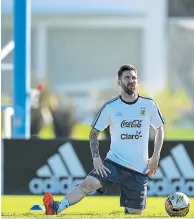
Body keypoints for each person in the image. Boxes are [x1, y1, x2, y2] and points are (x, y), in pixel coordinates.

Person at [42, 64, 166, 215]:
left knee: (135, 213)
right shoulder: (111, 107)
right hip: (114, 163)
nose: (131, 80)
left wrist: (155, 156)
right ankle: (56, 208)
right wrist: (96, 158)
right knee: (88, 184)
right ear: (119, 82)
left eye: (134, 78)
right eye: (127, 78)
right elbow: (94, 133)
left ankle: (129, 208)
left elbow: (160, 129)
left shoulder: (148, 104)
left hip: (139, 169)